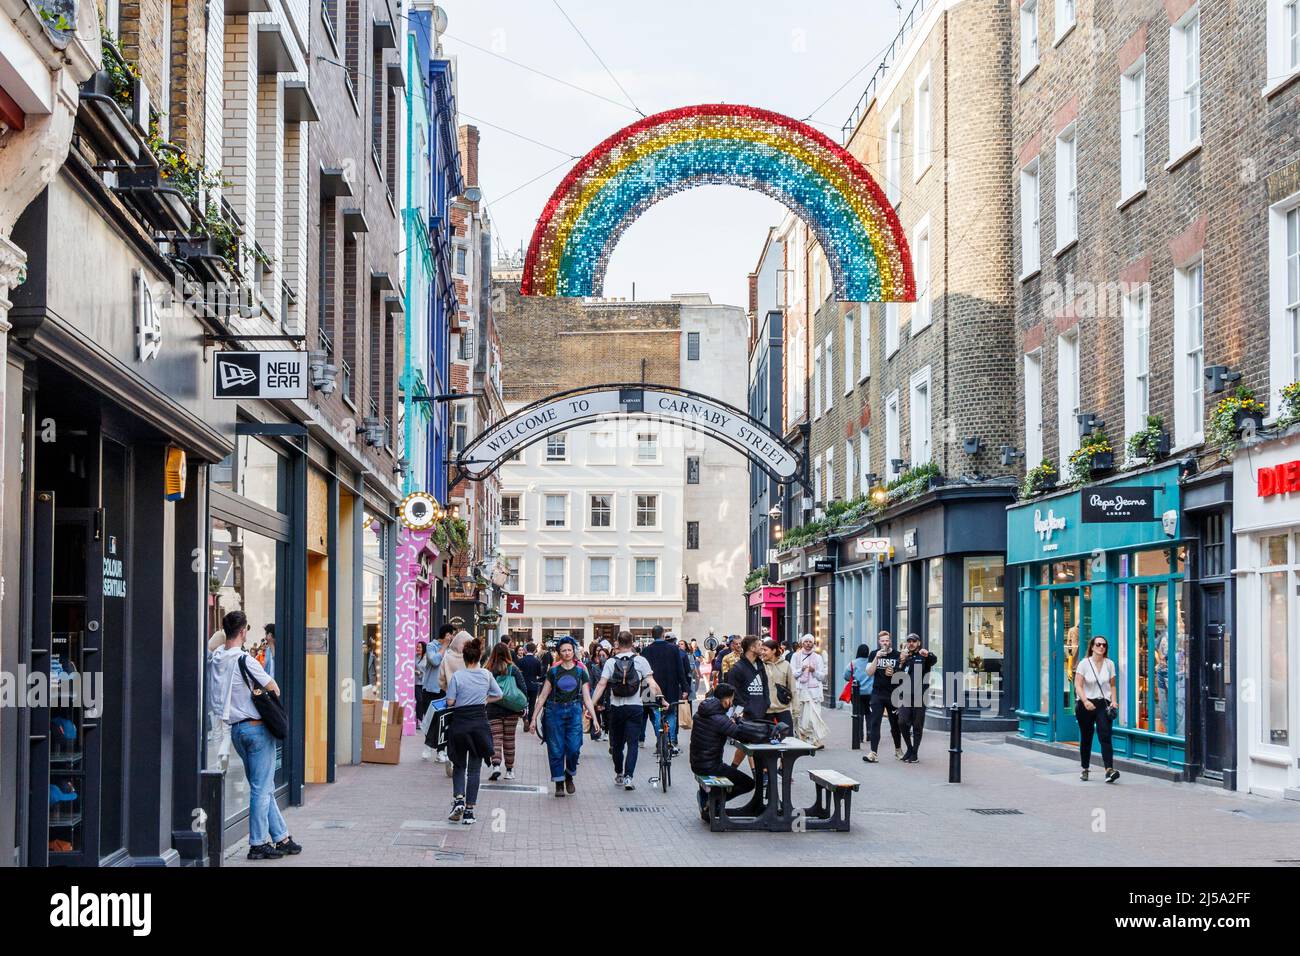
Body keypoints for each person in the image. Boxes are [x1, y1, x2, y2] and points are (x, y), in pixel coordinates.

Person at [207, 610, 301, 860]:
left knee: (263, 786)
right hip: (257, 728)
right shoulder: (245, 660)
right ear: (243, 631)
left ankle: (281, 837)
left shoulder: (217, 657)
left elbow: (213, 643)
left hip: (236, 730)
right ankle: (258, 843)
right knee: (261, 788)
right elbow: (273, 686)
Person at [588, 630, 665, 790]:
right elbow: (651, 683)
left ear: (617, 643)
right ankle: (629, 777)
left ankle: (619, 773)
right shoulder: (640, 661)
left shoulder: (610, 662)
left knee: (617, 745)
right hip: (635, 707)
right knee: (633, 744)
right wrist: (662, 699)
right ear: (632, 643)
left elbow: (601, 685)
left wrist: (591, 705)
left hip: (616, 708)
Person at [527, 636, 599, 796]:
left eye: (569, 650)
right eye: (563, 650)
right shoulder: (553, 670)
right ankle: (559, 782)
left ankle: (569, 774)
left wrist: (593, 717)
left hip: (574, 710)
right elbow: (543, 695)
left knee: (574, 748)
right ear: (559, 652)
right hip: (554, 712)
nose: (567, 653)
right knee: (555, 749)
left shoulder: (581, 671)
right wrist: (533, 718)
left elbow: (587, 697)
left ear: (574, 651)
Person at [444, 638, 503, 825]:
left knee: (459, 765)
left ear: (464, 657)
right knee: (475, 770)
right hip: (479, 724)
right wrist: (485, 700)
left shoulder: (458, 677)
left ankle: (458, 799)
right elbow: (499, 694)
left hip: (460, 723)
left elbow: (450, 702)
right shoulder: (486, 675)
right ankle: (469, 811)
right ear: (479, 657)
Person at [688, 683, 755, 823]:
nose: (731, 704)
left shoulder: (703, 711)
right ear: (725, 700)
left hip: (697, 763)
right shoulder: (719, 718)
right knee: (748, 784)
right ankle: (714, 801)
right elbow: (740, 735)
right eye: (731, 700)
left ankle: (710, 801)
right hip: (711, 766)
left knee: (730, 776)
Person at [1075, 635, 1120, 783]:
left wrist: (1114, 701)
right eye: (1098, 644)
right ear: (1092, 647)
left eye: (1104, 645)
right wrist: (1085, 700)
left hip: (1103, 703)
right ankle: (1085, 768)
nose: (1101, 647)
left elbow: (1112, 685)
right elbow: (1078, 685)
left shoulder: (1110, 664)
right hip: (1085, 703)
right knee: (1086, 736)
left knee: (1105, 735)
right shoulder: (1084, 663)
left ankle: (1109, 770)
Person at [641, 624, 690, 753]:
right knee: (671, 714)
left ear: (652, 635)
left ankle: (660, 740)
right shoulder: (674, 649)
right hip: (671, 687)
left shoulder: (646, 651)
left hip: (652, 688)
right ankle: (670, 742)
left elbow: (642, 674)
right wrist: (685, 688)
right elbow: (680, 670)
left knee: (657, 713)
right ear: (663, 635)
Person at [484, 643, 527, 781]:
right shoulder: (513, 669)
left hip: (493, 708)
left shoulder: (488, 669)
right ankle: (509, 771)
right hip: (511, 710)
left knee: (496, 738)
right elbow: (523, 688)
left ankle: (496, 766)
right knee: (509, 739)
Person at [864, 631, 904, 763]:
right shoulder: (874, 654)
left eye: (887, 640)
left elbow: (902, 674)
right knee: (875, 722)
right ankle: (873, 753)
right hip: (877, 693)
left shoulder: (897, 655)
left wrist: (894, 673)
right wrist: (877, 658)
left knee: (895, 724)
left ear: (890, 641)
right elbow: (869, 673)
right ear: (879, 642)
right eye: (882, 641)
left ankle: (898, 750)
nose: (885, 643)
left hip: (892, 694)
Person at [896, 633, 937, 762]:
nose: (911, 643)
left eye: (914, 641)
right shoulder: (904, 657)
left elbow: (934, 660)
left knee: (917, 726)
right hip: (905, 696)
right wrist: (901, 662)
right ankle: (909, 748)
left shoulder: (923, 656)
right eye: (909, 641)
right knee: (902, 722)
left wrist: (928, 654)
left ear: (918, 643)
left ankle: (915, 754)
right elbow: (897, 676)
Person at [422, 624, 455, 763]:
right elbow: (435, 661)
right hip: (430, 689)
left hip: (445, 691)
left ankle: (441, 751)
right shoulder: (431, 646)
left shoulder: (452, 650)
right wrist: (444, 646)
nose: (453, 637)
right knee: (431, 720)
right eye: (451, 634)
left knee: (443, 722)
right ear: (446, 634)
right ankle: (428, 746)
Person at [790, 634, 829, 746]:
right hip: (799, 690)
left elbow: (822, 676)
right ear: (802, 643)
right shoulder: (795, 656)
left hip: (813, 692)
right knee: (799, 716)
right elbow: (792, 674)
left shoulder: (818, 658)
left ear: (813, 644)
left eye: (810, 642)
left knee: (813, 717)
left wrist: (813, 671)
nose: (808, 644)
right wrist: (801, 670)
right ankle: (802, 737)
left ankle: (814, 739)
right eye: (806, 642)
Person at [761, 638, 798, 735]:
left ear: (773, 650)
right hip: (766, 709)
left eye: (765, 650)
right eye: (762, 650)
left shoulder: (786, 665)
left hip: (783, 707)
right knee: (766, 740)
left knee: (788, 737)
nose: (762, 652)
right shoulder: (760, 665)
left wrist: (795, 708)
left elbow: (792, 687)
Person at [844, 643, 875, 747]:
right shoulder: (871, 663)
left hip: (857, 693)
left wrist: (854, 679)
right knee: (869, 713)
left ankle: (859, 736)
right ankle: (870, 734)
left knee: (859, 714)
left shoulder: (853, 663)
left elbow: (846, 675)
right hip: (870, 692)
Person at [516, 642, 544, 726]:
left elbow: (518, 673)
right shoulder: (537, 661)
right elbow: (539, 674)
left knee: (524, 703)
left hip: (523, 685)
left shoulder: (521, 661)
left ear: (525, 650)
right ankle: (530, 719)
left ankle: (525, 718)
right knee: (532, 704)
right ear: (535, 650)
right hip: (533, 684)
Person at [414, 641, 430, 726]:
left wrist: (422, 673)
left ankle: (425, 719)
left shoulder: (428, 658)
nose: (418, 649)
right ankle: (419, 719)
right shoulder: (415, 657)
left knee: (425, 701)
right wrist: (415, 672)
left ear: (424, 648)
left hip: (425, 683)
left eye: (420, 647)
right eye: (417, 647)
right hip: (417, 683)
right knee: (419, 701)